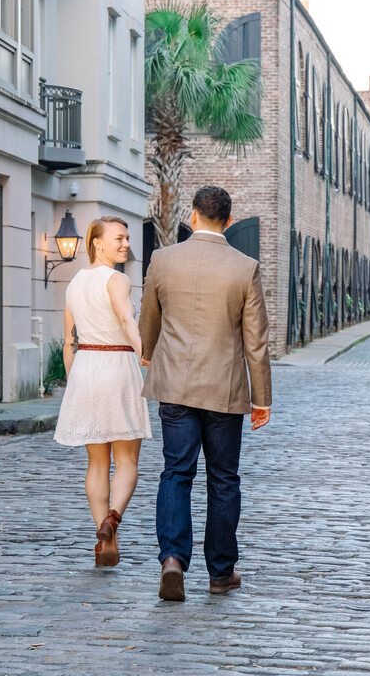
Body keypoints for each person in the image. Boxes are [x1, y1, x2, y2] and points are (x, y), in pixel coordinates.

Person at [139, 186, 272, 601]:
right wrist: (261, 398)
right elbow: (257, 342)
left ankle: (173, 560)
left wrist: (147, 354)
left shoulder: (163, 260)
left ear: (193, 216)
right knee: (223, 478)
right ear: (229, 222)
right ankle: (220, 572)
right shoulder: (244, 267)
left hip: (175, 386)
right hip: (224, 390)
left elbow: (149, 317)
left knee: (176, 472)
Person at [54, 216, 152, 567]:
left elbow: (68, 342)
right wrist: (144, 352)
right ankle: (112, 519)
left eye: (126, 239)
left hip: (86, 370)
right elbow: (127, 320)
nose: (126, 244)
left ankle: (105, 542)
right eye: (119, 238)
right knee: (126, 461)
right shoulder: (118, 279)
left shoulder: (74, 283)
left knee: (97, 462)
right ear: (97, 243)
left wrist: (74, 385)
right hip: (118, 367)